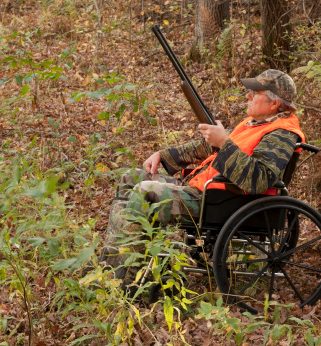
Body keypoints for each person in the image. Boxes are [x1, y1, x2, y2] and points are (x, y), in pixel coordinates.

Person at [94, 69, 306, 290]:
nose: (247, 96)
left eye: (255, 93)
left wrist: (225, 143)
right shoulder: (254, 124)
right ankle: (111, 265)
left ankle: (124, 282)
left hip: (221, 201)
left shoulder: (281, 134)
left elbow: (259, 179)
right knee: (130, 178)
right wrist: (164, 157)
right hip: (207, 191)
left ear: (273, 104)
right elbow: (207, 146)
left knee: (143, 190)